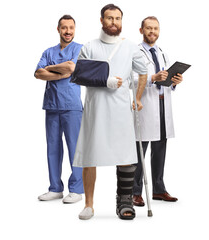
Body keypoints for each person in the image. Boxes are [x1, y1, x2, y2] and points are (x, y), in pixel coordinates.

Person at [72, 4, 147, 220]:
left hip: (121, 110)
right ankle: (88, 204)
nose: (114, 22)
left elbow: (142, 73)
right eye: (109, 18)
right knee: (89, 156)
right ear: (101, 20)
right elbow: (80, 76)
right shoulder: (89, 46)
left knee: (124, 155)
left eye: (117, 18)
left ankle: (124, 201)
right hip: (96, 111)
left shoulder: (131, 47)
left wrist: (138, 98)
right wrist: (106, 81)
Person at [132, 16, 183, 207]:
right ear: (141, 30)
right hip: (145, 107)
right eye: (148, 28)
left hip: (162, 105)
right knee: (140, 150)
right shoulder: (134, 53)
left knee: (160, 148)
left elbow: (166, 79)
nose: (152, 32)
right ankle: (134, 191)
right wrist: (152, 78)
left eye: (155, 28)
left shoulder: (161, 52)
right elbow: (131, 80)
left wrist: (174, 81)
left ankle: (159, 189)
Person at [34, 15, 84, 203]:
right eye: (64, 28)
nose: (68, 31)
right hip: (52, 105)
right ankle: (55, 188)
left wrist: (50, 70)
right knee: (53, 148)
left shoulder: (80, 49)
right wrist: (60, 73)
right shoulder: (48, 51)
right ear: (58, 29)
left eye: (71, 27)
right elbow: (38, 73)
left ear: (74, 29)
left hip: (72, 106)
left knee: (75, 148)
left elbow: (71, 67)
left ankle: (76, 189)